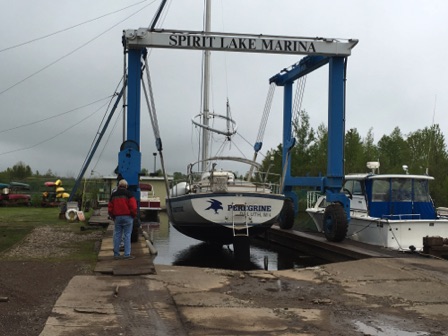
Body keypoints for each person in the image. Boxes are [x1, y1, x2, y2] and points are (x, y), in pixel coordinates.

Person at [108, 179, 138, 260]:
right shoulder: (129, 194)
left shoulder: (113, 195)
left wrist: (113, 216)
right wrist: (133, 215)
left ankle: (116, 254)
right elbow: (134, 207)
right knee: (127, 235)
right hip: (128, 217)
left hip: (117, 217)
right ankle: (127, 254)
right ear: (126, 186)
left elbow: (110, 208)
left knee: (117, 235)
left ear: (118, 186)